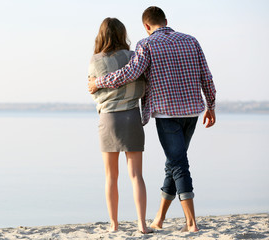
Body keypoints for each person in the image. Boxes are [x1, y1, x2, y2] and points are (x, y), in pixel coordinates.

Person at [88, 6, 216, 232]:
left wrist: (99, 82)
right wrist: (211, 106)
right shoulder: (192, 41)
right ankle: (156, 219)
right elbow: (206, 75)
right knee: (173, 162)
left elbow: (131, 73)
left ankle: (191, 223)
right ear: (165, 21)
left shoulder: (145, 44)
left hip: (165, 112)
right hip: (192, 112)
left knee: (178, 163)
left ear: (146, 26)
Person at [88, 17, 152, 234]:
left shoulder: (96, 60)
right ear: (122, 34)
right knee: (136, 175)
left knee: (111, 176)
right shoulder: (134, 57)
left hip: (108, 119)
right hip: (132, 116)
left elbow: (92, 89)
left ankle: (114, 225)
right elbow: (144, 84)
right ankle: (142, 224)